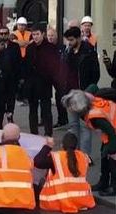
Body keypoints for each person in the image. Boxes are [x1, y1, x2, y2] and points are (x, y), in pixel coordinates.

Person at [62, 87, 116, 196]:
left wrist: (112, 147)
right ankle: (104, 182)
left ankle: (114, 186)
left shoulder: (95, 116)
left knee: (113, 158)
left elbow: (112, 132)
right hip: (110, 131)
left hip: (113, 132)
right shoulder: (93, 105)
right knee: (104, 155)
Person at [35, 133, 96, 213]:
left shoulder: (56, 157)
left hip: (58, 201)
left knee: (41, 181)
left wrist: (48, 146)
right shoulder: (83, 157)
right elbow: (90, 162)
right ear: (76, 146)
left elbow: (37, 161)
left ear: (61, 145)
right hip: (82, 201)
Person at [62, 26, 100, 155]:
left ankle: (85, 156)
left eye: (72, 40)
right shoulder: (68, 53)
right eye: (68, 40)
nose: (69, 43)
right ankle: (74, 155)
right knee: (73, 126)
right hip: (71, 95)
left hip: (84, 94)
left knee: (85, 127)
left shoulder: (89, 52)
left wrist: (88, 92)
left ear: (78, 38)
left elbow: (96, 75)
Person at [26, 24, 59, 136]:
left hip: (45, 82)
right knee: (32, 110)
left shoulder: (50, 48)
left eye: (37, 34)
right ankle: (33, 133)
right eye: (33, 34)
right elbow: (27, 64)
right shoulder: (30, 48)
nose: (35, 37)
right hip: (32, 84)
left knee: (46, 110)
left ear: (42, 34)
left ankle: (48, 133)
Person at [0, 27, 22, 122]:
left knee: (11, 99)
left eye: (5, 33)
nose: (3, 36)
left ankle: (10, 116)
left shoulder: (15, 46)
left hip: (12, 77)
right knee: (0, 99)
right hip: (0, 77)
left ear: (8, 34)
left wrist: (19, 77)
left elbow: (19, 61)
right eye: (1, 34)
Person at [47, 27, 69, 128]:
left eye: (52, 36)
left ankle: (63, 120)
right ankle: (45, 120)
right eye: (49, 36)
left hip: (59, 77)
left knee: (60, 97)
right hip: (48, 76)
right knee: (46, 98)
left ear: (56, 36)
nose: (50, 38)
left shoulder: (62, 48)